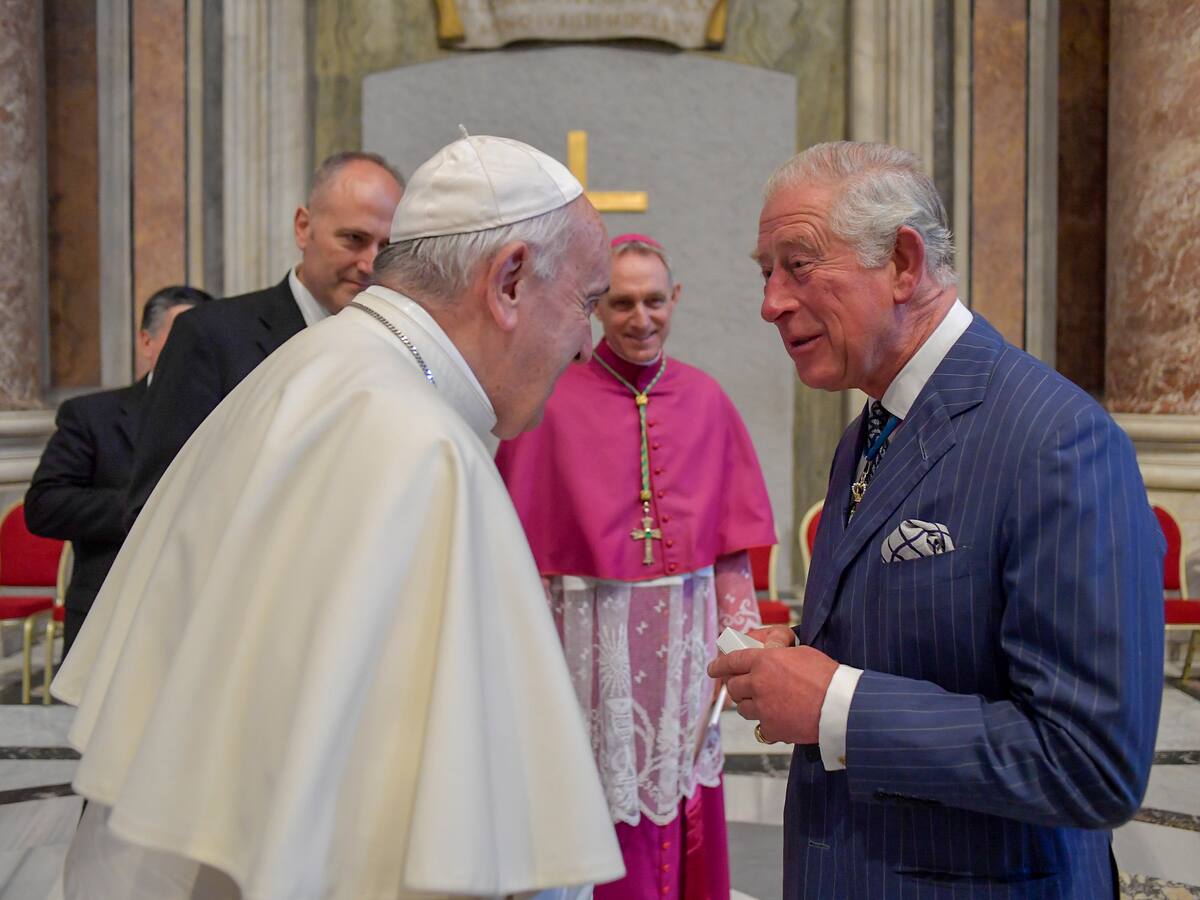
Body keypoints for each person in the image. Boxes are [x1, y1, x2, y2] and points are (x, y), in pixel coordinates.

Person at [49, 134, 624, 900]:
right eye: (586, 303)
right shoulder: (420, 446)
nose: (587, 346)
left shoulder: (322, 366)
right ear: (510, 279)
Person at [709, 141, 1164, 898]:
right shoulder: (867, 430)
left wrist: (836, 704)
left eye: (798, 263)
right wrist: (801, 657)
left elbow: (1092, 762)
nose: (771, 303)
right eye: (766, 271)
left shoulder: (1056, 439)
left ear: (903, 263)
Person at [494, 234, 775, 899]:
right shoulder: (552, 404)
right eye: (621, 303)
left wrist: (741, 648)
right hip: (590, 656)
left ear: (675, 299)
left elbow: (730, 551)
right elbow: (524, 562)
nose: (640, 318)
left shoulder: (707, 401)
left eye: (654, 301)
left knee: (678, 798)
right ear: (598, 308)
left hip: (684, 653)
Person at [124, 151, 405, 525]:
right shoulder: (211, 337)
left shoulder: (400, 349)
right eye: (353, 239)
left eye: (386, 247)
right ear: (303, 227)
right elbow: (157, 507)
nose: (370, 264)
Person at [25, 285, 212, 658]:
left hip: (204, 617)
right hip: (110, 614)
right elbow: (46, 505)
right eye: (180, 338)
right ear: (146, 342)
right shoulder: (93, 416)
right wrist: (150, 510)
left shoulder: (239, 416)